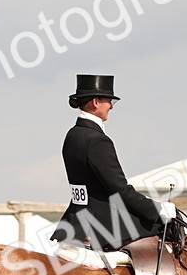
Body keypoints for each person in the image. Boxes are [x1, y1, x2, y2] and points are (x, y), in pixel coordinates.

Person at [51, 74, 175, 251]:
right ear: (95, 102)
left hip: (76, 220)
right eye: (109, 101)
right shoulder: (97, 140)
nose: (110, 106)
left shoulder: (72, 135)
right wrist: (157, 209)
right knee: (168, 226)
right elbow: (120, 190)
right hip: (102, 223)